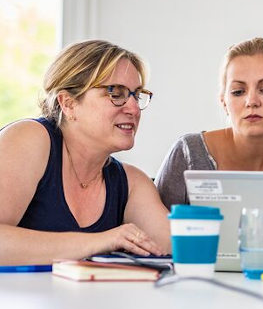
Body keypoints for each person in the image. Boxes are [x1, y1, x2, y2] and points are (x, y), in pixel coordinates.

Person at [0, 40, 171, 266]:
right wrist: (102, 240)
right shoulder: (29, 139)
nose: (133, 108)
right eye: (116, 93)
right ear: (69, 104)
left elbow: (178, 250)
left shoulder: (131, 183)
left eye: (136, 94)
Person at [156, 37, 263, 208]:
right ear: (224, 102)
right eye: (238, 91)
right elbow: (150, 231)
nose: (252, 101)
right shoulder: (187, 154)